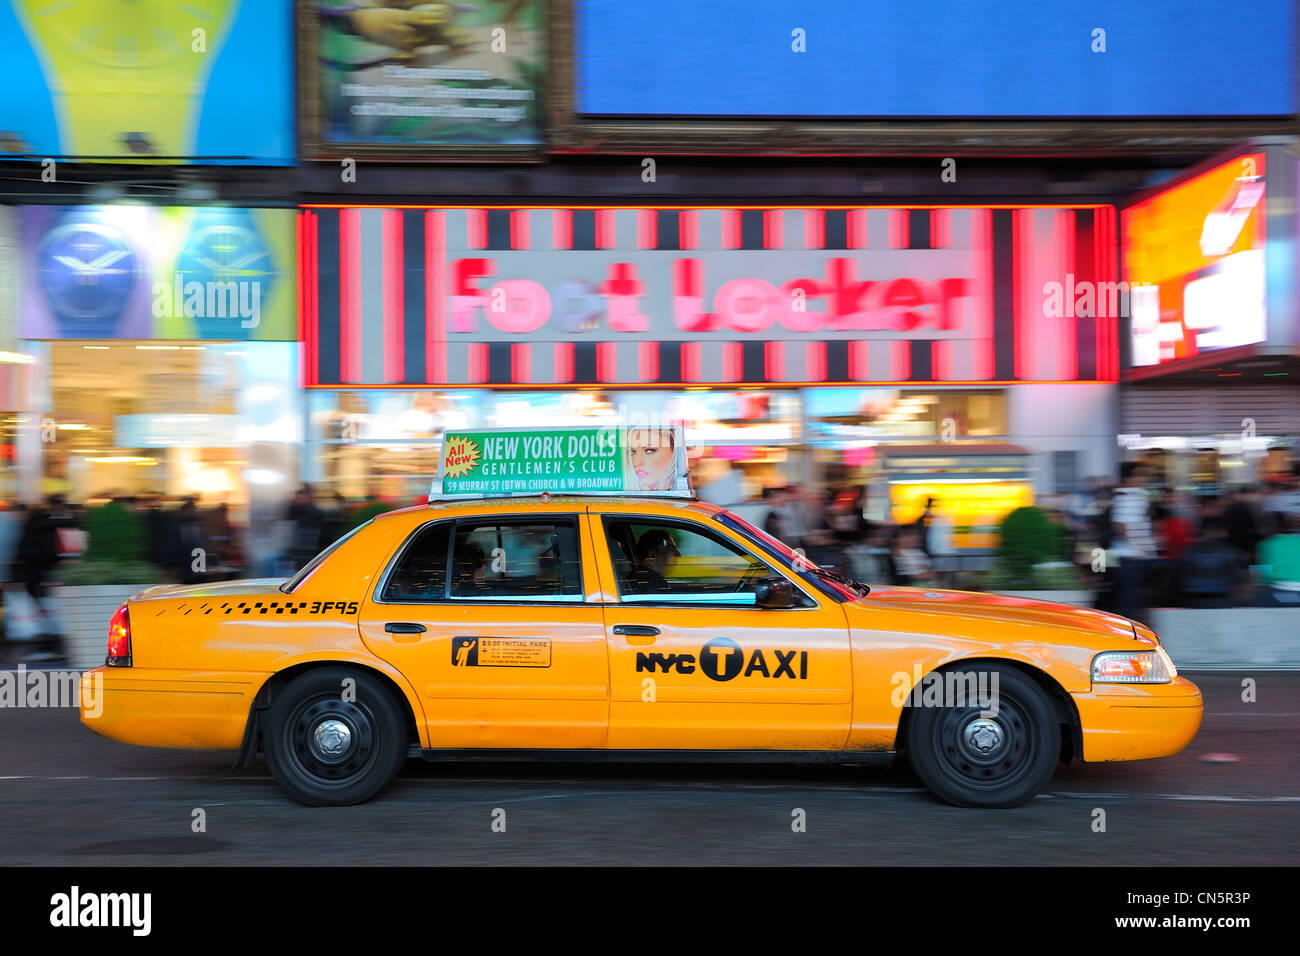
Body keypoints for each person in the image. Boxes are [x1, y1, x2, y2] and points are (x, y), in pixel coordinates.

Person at [1254, 511, 1300, 606]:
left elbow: (1262, 578)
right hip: (1294, 592)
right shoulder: (1297, 538)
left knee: (1251, 604)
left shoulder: (1265, 544)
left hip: (1283, 591)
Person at [629, 528, 680, 593]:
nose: (678, 554)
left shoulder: (640, 578)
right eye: (671, 548)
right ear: (652, 555)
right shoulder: (653, 583)